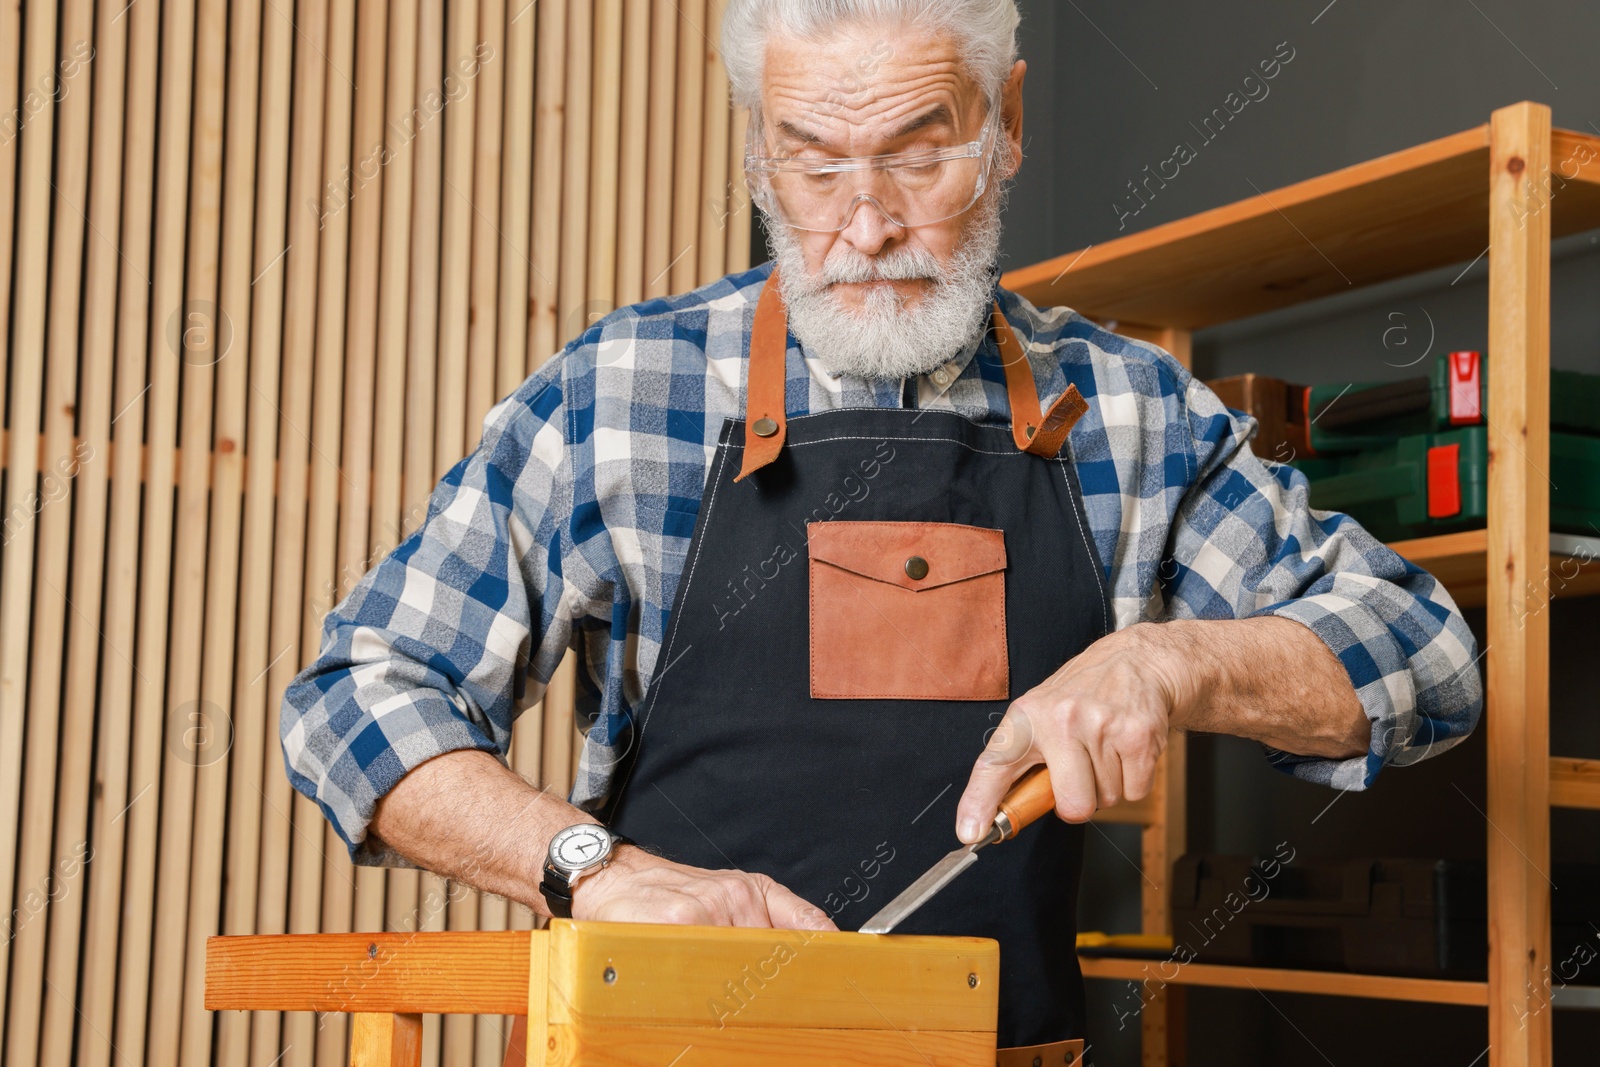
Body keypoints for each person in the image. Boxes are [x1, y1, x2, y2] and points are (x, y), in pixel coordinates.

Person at [280, 0, 1482, 1054]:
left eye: (919, 157)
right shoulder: (621, 394)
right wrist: (594, 868)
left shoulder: (1130, 412)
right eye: (813, 165)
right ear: (757, 147)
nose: (864, 227)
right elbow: (354, 696)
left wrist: (1170, 660)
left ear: (1005, 120)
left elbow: (1426, 654)